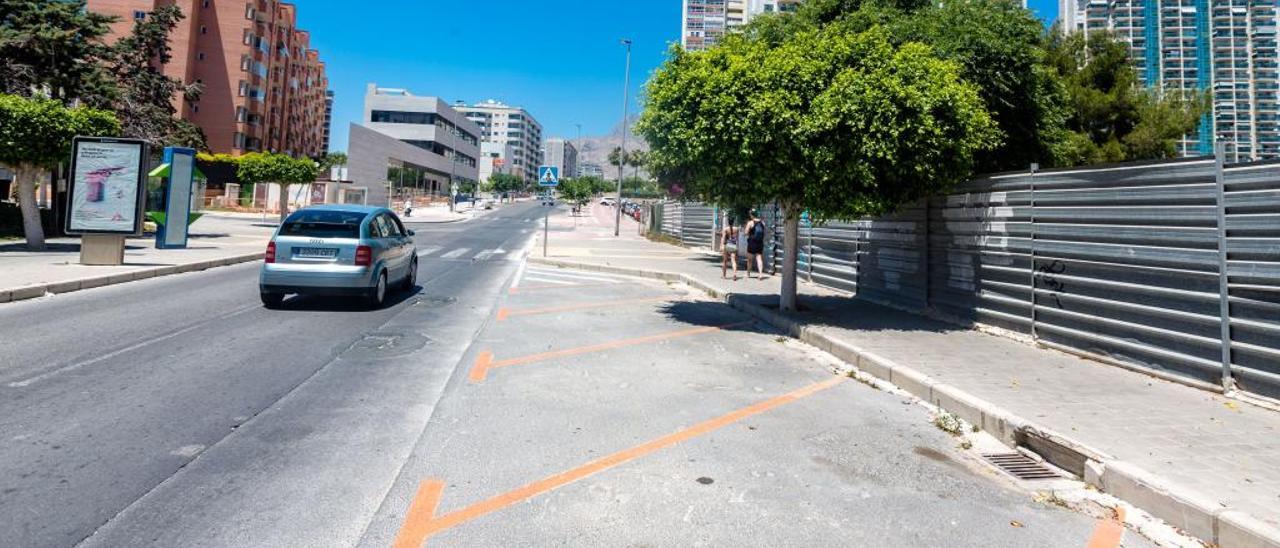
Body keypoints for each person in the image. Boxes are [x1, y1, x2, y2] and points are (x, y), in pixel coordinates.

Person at [745, 209, 766, 279]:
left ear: (751, 215)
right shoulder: (762, 222)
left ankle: (748, 273)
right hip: (760, 242)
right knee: (759, 258)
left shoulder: (750, 223)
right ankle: (760, 274)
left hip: (752, 242)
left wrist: (748, 233)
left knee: (750, 259)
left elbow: (746, 232)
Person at [721, 215, 740, 280]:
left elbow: (723, 239)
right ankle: (734, 274)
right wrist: (737, 246)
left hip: (727, 245)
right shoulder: (737, 229)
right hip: (734, 245)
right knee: (733, 261)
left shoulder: (726, 229)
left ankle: (724, 276)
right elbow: (737, 239)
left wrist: (722, 246)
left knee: (725, 261)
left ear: (728, 221)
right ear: (733, 221)